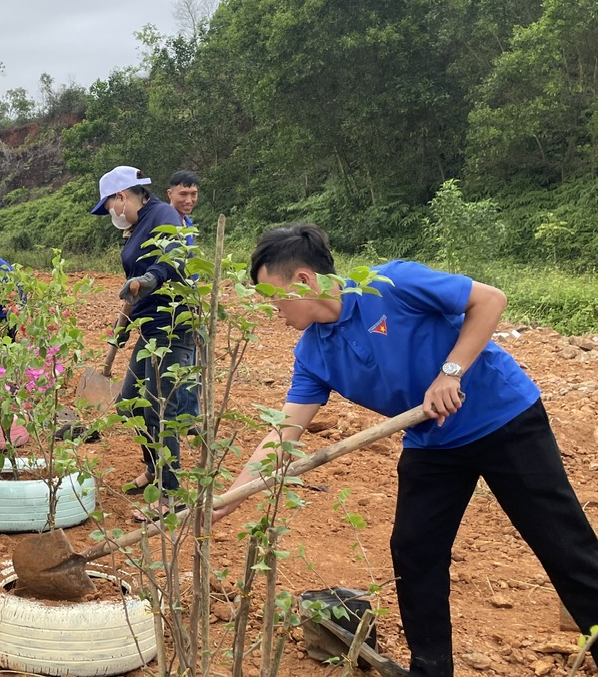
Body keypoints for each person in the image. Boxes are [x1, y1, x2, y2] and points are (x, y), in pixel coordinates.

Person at [214, 223, 598, 676]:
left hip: (503, 419)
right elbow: (282, 434)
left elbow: (490, 300)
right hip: (433, 439)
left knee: (562, 545)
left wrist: (450, 372)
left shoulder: (390, 284)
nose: (270, 309)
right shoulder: (312, 352)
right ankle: (430, 669)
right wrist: (223, 501)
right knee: (414, 551)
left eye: (271, 296)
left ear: (303, 280)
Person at [88, 165, 198, 521]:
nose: (109, 214)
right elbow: (133, 291)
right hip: (150, 327)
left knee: (161, 409)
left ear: (121, 197)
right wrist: (120, 333)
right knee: (131, 404)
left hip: (174, 326)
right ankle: (154, 469)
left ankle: (171, 495)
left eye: (107, 206)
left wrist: (152, 276)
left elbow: (175, 255)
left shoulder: (163, 214)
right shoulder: (137, 229)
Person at [166, 170, 198, 241]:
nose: (189, 201)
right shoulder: (164, 223)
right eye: (183, 194)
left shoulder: (188, 223)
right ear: (170, 194)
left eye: (194, 194)